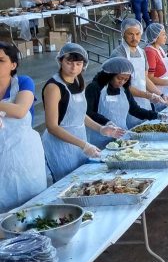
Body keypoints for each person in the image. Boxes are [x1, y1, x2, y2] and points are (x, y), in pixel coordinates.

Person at [42, 44, 124, 182]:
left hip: (79, 139)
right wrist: (83, 145)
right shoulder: (54, 87)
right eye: (69, 63)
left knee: (84, 181)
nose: (74, 68)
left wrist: (101, 129)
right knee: (66, 183)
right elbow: (52, 127)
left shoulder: (78, 81)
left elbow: (79, 114)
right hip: (60, 144)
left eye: (78, 64)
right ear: (60, 61)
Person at [0, 43, 47, 211]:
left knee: (31, 207)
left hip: (24, 156)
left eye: (1, 60)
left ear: (13, 65)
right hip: (2, 158)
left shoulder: (23, 82)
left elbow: (20, 111)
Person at [111, 19, 168, 127]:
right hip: (127, 103)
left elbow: (145, 79)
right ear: (122, 34)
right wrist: (148, 95)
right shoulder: (118, 54)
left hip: (144, 101)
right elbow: (123, 86)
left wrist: (161, 94)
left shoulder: (142, 52)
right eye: (130, 34)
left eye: (137, 34)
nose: (134, 38)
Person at [85, 57, 158, 148]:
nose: (122, 82)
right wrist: (107, 123)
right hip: (100, 139)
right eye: (119, 78)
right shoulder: (94, 88)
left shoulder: (124, 89)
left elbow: (134, 110)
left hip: (121, 137)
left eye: (126, 79)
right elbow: (89, 113)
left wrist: (157, 116)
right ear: (110, 75)